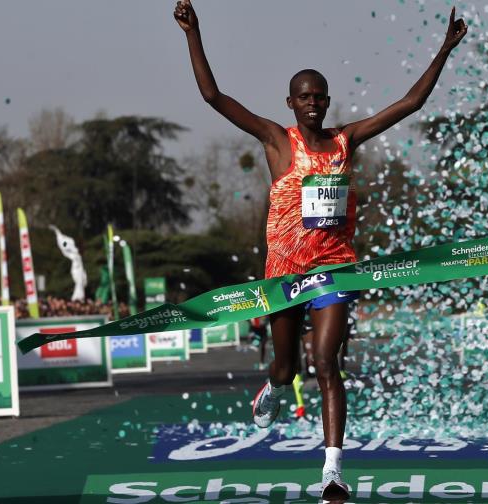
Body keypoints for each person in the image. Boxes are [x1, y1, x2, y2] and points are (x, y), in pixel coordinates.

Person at [173, 1, 467, 499]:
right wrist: (192, 33)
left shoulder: (345, 141)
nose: (312, 103)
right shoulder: (275, 139)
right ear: (290, 103)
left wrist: (445, 48)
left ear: (327, 101)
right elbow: (212, 95)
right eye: (304, 97)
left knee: (327, 362)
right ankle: (271, 386)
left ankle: (332, 472)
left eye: (319, 97)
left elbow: (409, 104)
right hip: (285, 273)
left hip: (334, 269)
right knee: (287, 368)